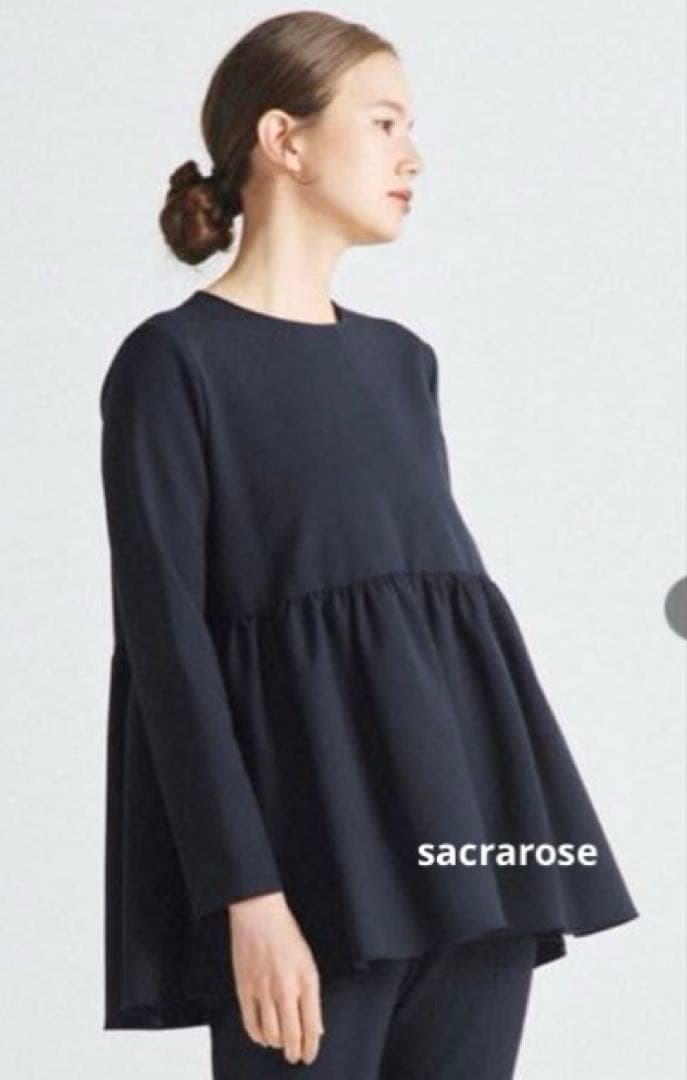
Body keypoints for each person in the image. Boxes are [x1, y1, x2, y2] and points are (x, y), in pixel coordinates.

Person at [98, 10, 639, 1077]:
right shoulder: (175, 365)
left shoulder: (404, 363)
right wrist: (248, 898)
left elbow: (439, 628)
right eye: (384, 122)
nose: (412, 156)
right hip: (310, 866)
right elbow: (167, 653)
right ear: (284, 140)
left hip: (474, 850)